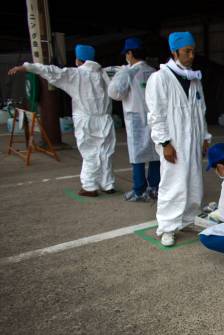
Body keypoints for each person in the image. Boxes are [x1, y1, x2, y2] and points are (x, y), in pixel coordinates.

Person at [8, 44, 116, 197]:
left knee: (89, 152)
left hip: (86, 120)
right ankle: (108, 183)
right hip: (105, 119)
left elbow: (51, 71)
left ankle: (89, 186)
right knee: (105, 152)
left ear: (79, 60)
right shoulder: (103, 73)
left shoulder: (76, 74)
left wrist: (27, 67)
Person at [145, 32, 211, 247]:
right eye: (187, 51)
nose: (192, 55)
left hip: (193, 140)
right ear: (174, 52)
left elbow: (201, 110)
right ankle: (167, 226)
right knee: (173, 183)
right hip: (173, 141)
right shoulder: (160, 78)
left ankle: (189, 218)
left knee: (193, 179)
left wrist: (205, 137)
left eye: (193, 51)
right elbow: (156, 114)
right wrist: (165, 143)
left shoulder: (193, 78)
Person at [107, 37, 159, 202]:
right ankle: (154, 188)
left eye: (126, 53)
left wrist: (120, 75)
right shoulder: (154, 71)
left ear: (130, 53)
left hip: (136, 118)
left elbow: (114, 93)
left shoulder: (128, 73)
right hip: (155, 117)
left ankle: (139, 190)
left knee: (137, 155)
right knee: (155, 153)